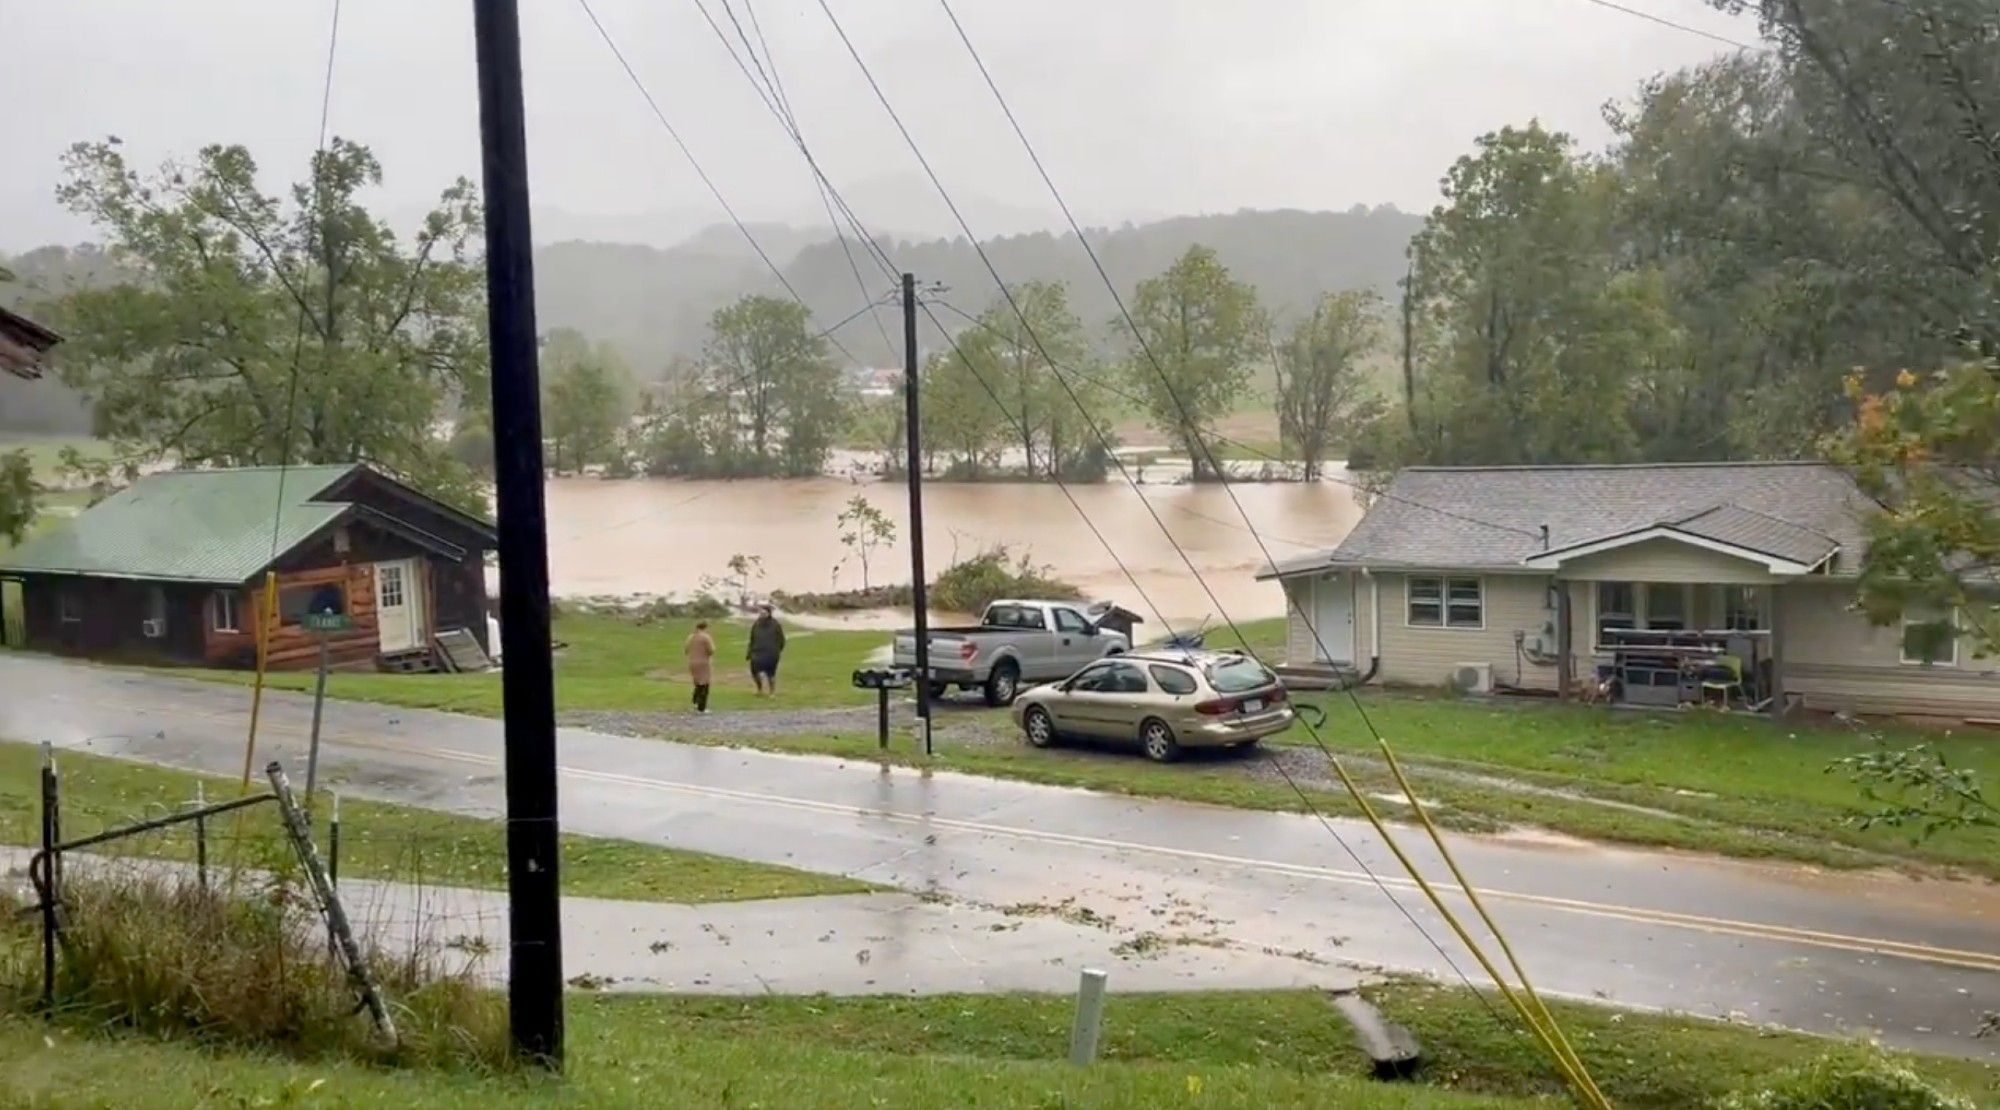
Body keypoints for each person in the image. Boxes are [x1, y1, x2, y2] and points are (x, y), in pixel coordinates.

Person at [747, 604, 786, 696]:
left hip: (771, 653)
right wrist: (750, 651)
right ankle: (759, 689)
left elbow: (781, 640)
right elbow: (752, 638)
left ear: (769, 613)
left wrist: (776, 650)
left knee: (770, 674)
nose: (762, 614)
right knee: (754, 672)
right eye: (760, 612)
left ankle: (772, 692)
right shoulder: (756, 624)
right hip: (757, 652)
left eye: (764, 612)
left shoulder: (775, 624)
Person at [684, 620, 716, 713]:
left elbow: (686, 649)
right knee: (704, 684)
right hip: (703, 662)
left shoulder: (690, 637)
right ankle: (702, 707)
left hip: (692, 662)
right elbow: (711, 650)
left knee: (697, 683)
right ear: (705, 628)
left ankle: (695, 702)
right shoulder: (706, 637)